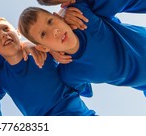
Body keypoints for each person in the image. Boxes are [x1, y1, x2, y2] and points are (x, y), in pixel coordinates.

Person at [18, 6, 146, 98]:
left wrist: (66, 10)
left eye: (50, 21)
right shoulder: (70, 74)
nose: (55, 31)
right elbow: (87, 92)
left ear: (58, 16)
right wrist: (26, 45)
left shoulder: (83, 15)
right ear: (43, 47)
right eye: (43, 34)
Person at [0, 16, 96, 116]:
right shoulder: (1, 77)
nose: (3, 34)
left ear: (18, 33)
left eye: (6, 29)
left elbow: (85, 87)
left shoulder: (43, 49)